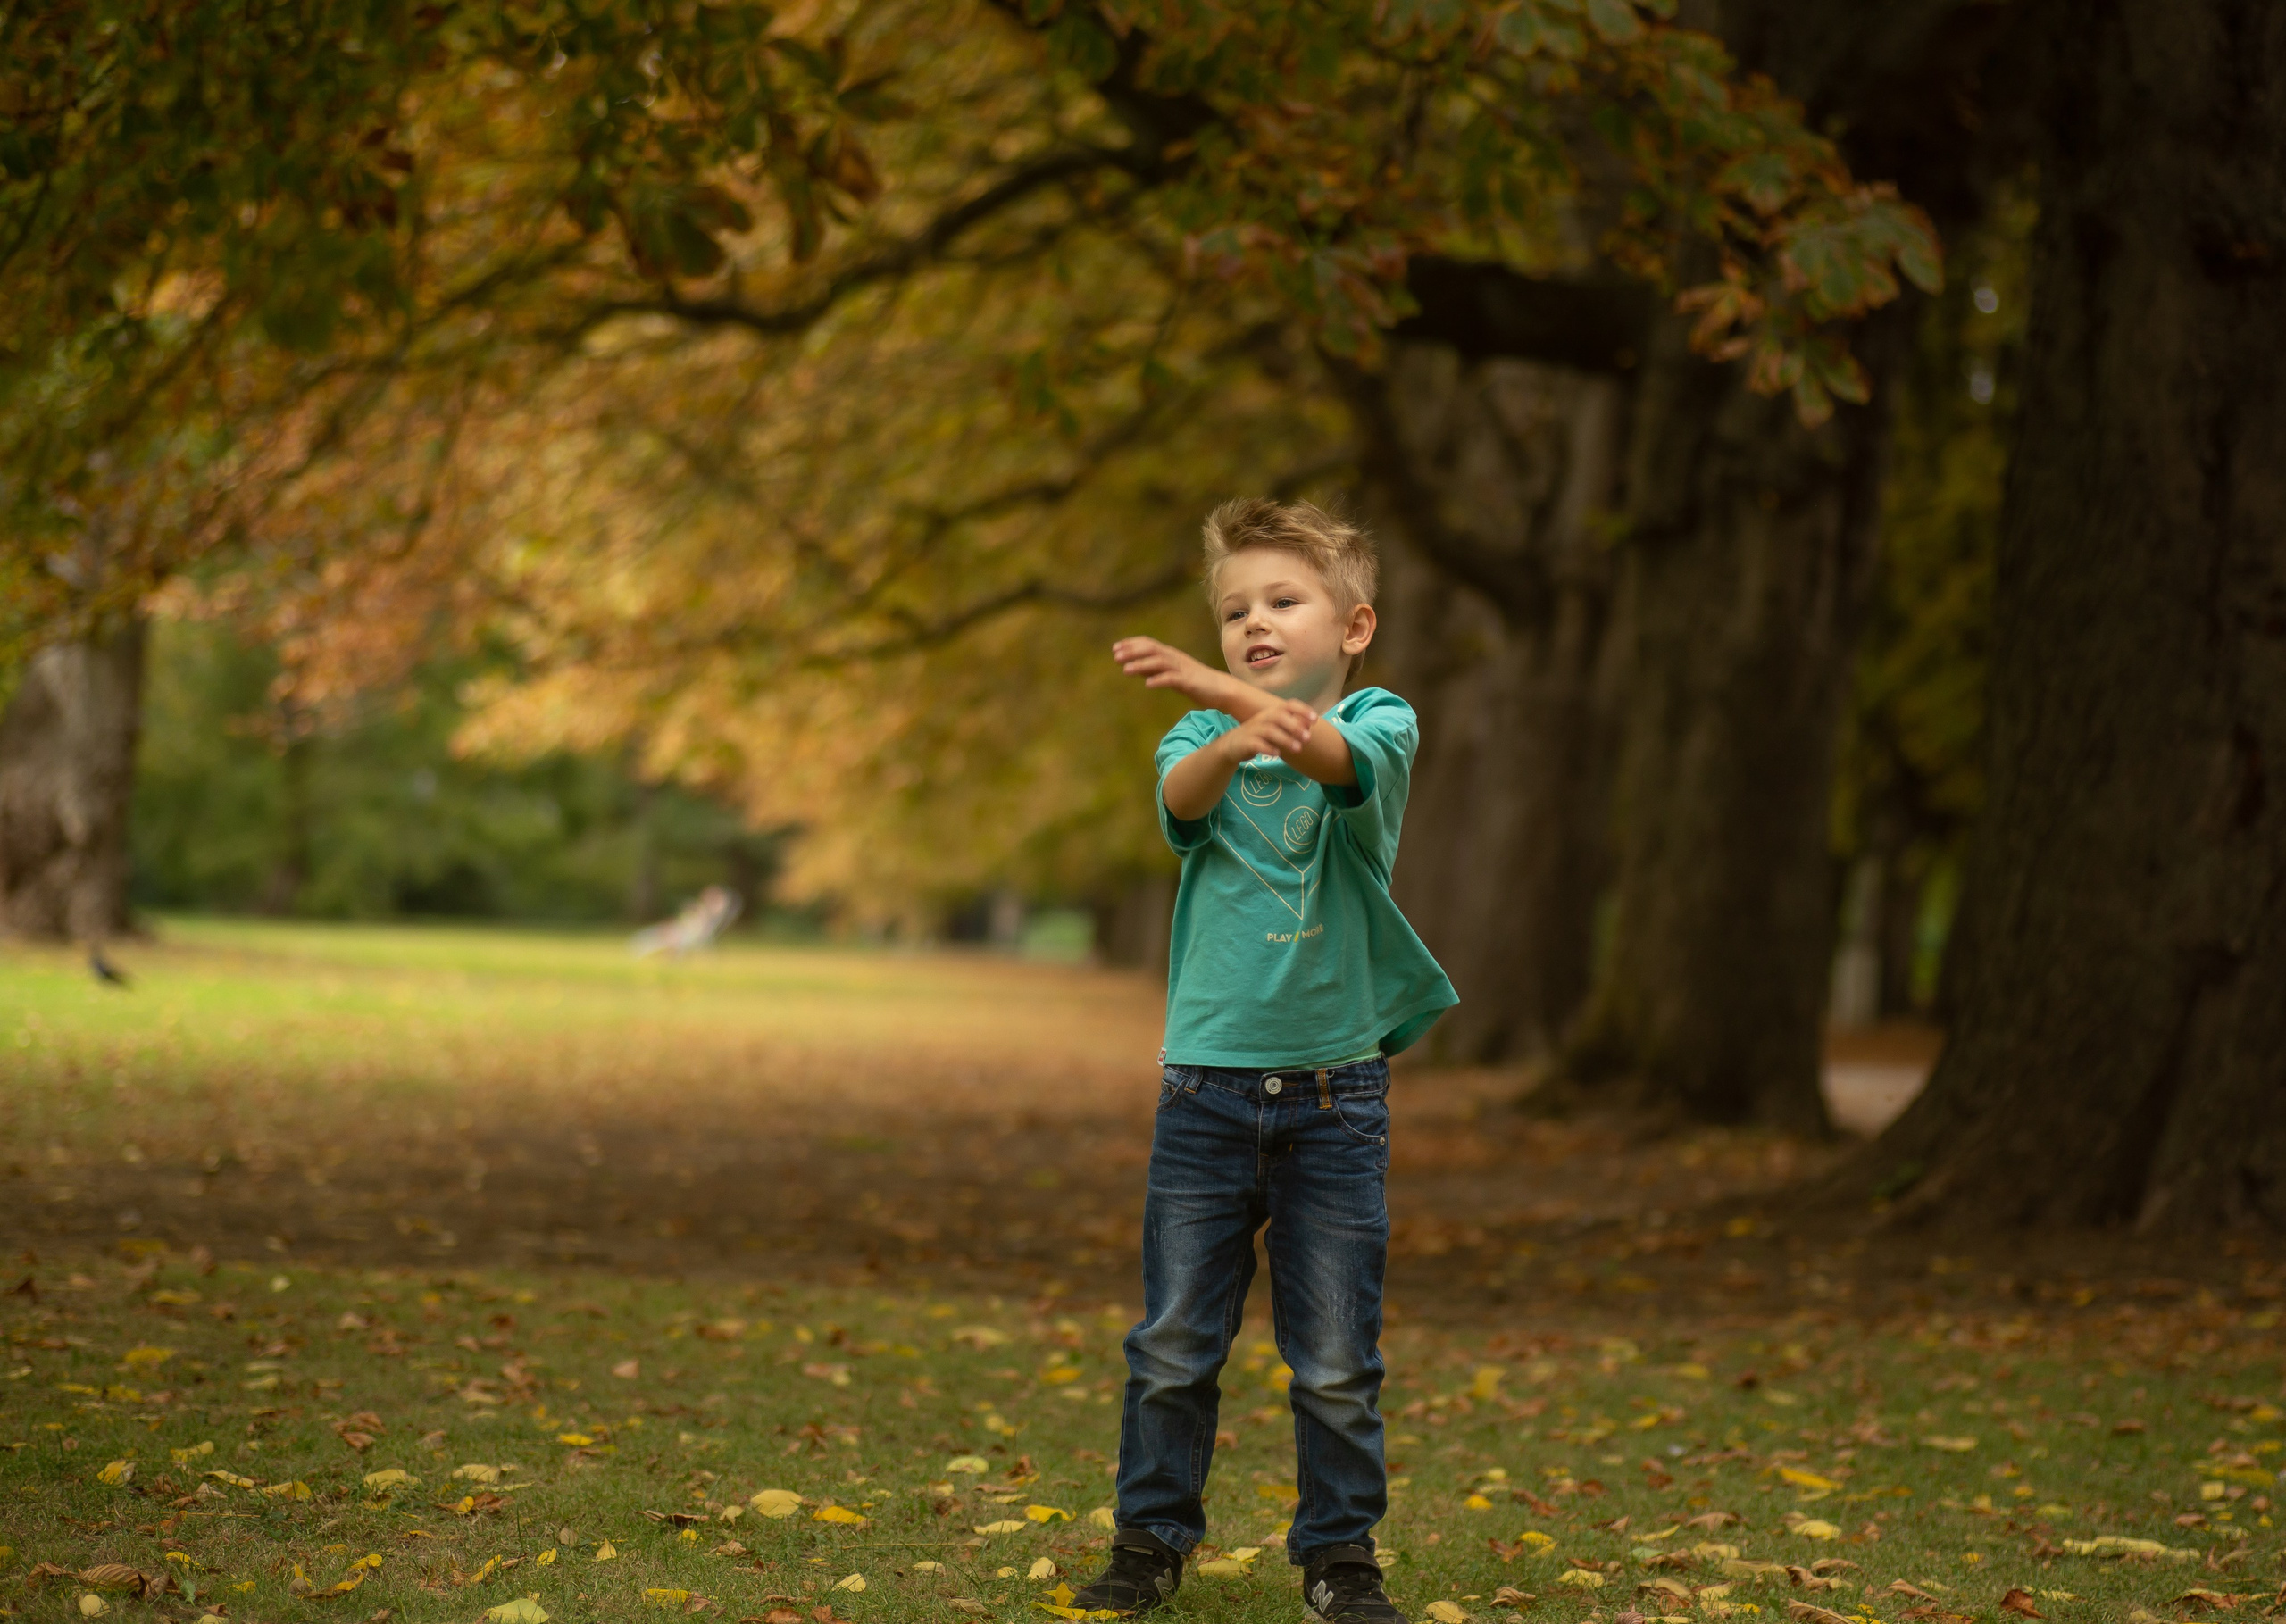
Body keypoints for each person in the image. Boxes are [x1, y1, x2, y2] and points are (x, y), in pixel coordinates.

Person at [1073, 498, 1457, 1624]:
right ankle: (1149, 1539)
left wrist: (1228, 695)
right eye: (1234, 610)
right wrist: (1224, 727)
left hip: (1336, 1095)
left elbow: (1325, 753)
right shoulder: (1200, 736)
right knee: (1176, 1342)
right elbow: (1178, 804)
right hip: (1206, 1084)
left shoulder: (1381, 721)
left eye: (1280, 602)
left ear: (1353, 625)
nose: (1252, 623)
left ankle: (1339, 1557)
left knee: (1334, 1353)